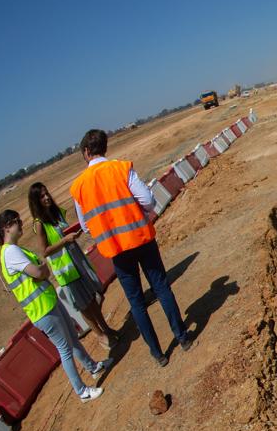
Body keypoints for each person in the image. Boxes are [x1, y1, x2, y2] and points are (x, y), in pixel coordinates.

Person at [70, 129, 192, 367]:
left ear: (86, 152)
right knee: (161, 288)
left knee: (136, 303)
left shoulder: (79, 187)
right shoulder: (121, 168)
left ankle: (158, 354)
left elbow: (85, 226)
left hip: (116, 250)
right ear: (104, 147)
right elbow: (147, 200)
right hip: (141, 239)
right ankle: (183, 337)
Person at [0, 210, 106, 402]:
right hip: (42, 310)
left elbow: (40, 270)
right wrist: (43, 270)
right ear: (6, 227)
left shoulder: (14, 249)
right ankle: (82, 391)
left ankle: (93, 367)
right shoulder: (11, 251)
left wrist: (42, 270)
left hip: (49, 302)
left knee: (71, 336)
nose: (21, 224)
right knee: (65, 349)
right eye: (17, 221)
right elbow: (38, 271)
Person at [27, 182, 120, 350]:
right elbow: (44, 251)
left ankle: (105, 328)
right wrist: (64, 240)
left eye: (47, 193)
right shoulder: (39, 223)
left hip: (77, 261)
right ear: (36, 201)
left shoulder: (56, 213)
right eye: (42, 196)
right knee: (83, 305)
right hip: (66, 270)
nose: (47, 197)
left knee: (92, 298)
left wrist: (73, 235)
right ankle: (100, 335)